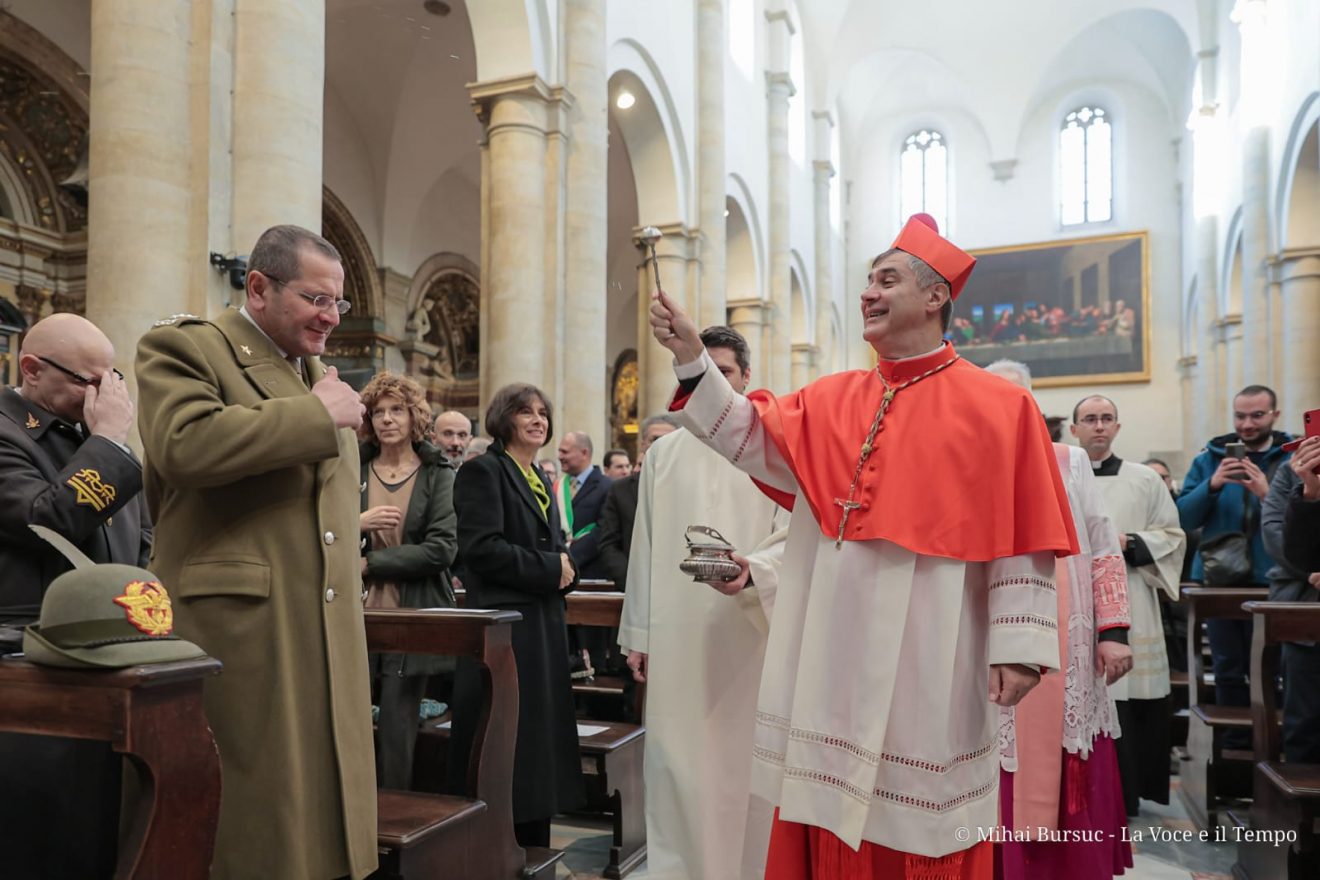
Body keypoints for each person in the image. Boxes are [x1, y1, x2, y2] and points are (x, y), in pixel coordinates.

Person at [649, 214, 1076, 878]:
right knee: (823, 800)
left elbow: (1024, 536)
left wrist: (1019, 645)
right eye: (867, 282)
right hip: (831, 644)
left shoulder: (1000, 407)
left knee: (919, 810)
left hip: (936, 640)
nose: (868, 294)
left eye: (887, 279)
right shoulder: (829, 399)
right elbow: (742, 435)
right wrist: (690, 358)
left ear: (935, 297)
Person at [135, 224, 376, 880]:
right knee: (250, 821)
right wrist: (315, 415)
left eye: (339, 304)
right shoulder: (186, 347)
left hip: (319, 620)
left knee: (317, 815)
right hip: (240, 628)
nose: (330, 317)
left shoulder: (313, 371)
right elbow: (183, 446)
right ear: (260, 287)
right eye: (316, 299)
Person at [619, 326, 788, 879]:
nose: (714, 382)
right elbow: (644, 548)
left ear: (745, 379)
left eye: (726, 372)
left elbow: (794, 539)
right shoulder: (664, 454)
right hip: (677, 638)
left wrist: (754, 571)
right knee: (677, 768)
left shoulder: (772, 450)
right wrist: (639, 636)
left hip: (751, 636)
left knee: (744, 771)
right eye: (702, 373)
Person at [0, 312, 150, 879]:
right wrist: (111, 440)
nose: (104, 394)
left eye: (112, 378)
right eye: (89, 381)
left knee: (97, 836)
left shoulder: (92, 438)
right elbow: (49, 519)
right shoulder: (7, 432)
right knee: (38, 840)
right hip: (30, 664)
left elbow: (143, 537)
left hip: (108, 659)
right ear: (32, 369)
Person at [985, 360, 1133, 880]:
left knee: (1059, 752)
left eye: (1016, 399)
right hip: (986, 638)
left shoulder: (1069, 462)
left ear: (1031, 406)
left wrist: (1113, 631)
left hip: (1065, 639)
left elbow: (1103, 545)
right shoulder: (964, 461)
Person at [447, 383, 584, 847]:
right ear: (504, 418)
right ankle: (498, 846)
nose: (538, 420)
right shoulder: (483, 471)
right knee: (511, 743)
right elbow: (480, 550)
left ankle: (534, 845)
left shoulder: (538, 477)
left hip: (541, 625)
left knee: (538, 745)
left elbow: (555, 545)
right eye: (526, 411)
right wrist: (552, 568)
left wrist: (567, 568)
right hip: (505, 630)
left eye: (543, 413)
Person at [1070, 395, 1186, 816]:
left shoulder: (1144, 479)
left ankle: (1128, 793)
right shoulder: (1058, 475)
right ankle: (1082, 792)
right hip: (1075, 601)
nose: (1098, 426)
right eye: (1089, 419)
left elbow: (1173, 536)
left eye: (1106, 419)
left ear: (1117, 427)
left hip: (1132, 598)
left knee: (1130, 696)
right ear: (1074, 429)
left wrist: (1130, 543)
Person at [1177, 385, 1292, 750]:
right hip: (1218, 580)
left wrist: (1266, 491)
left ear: (1274, 415)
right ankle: (1234, 749)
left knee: (1275, 670)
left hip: (1274, 578)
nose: (1246, 424)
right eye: (1240, 416)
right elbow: (1181, 518)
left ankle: (1274, 748)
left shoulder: (1290, 459)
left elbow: (1306, 522)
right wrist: (1211, 485)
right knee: (1227, 670)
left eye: (1256, 415)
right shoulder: (1208, 459)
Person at [358, 372, 457, 789]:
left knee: (399, 725)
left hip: (409, 611)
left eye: (396, 409)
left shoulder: (436, 472)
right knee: (350, 721)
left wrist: (369, 563)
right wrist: (354, 523)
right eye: (378, 411)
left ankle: (393, 819)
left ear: (414, 415)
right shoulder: (353, 467)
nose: (386, 419)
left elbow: (441, 549)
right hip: (352, 609)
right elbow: (318, 529)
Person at [1262, 435, 1320, 762]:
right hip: (1305, 606)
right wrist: (1310, 494)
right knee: (1304, 721)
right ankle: (1301, 811)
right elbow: (1278, 537)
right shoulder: (1292, 471)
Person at [596, 414, 680, 590]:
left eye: (669, 439)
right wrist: (633, 581)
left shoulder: (690, 488)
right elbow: (609, 544)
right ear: (643, 445)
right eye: (655, 439)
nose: (661, 445)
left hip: (678, 588)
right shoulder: (620, 490)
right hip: (633, 586)